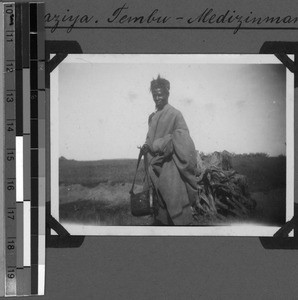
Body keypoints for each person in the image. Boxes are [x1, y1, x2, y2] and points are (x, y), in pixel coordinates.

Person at [141, 75, 198, 225]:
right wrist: (147, 145)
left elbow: (183, 137)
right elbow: (149, 137)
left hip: (169, 167)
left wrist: (161, 143)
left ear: (167, 94)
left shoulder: (175, 114)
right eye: (154, 95)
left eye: (160, 94)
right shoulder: (152, 117)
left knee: (174, 203)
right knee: (158, 207)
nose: (157, 98)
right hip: (154, 168)